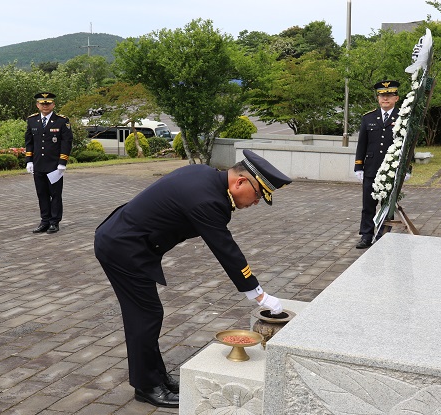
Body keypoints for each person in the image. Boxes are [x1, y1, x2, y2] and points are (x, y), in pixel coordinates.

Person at [94, 149, 292, 408]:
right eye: (257, 195)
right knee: (144, 316)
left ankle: (157, 378)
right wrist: (259, 295)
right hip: (123, 248)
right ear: (240, 182)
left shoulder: (205, 175)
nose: (256, 202)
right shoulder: (208, 200)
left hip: (128, 241)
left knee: (148, 314)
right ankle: (147, 386)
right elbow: (225, 249)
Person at [354, 80, 400, 249]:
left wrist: (407, 168)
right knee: (368, 204)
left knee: (387, 205)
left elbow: (407, 145)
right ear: (378, 98)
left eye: (389, 95)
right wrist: (358, 166)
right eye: (382, 96)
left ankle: (383, 235)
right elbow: (362, 144)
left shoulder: (402, 117)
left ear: (396, 98)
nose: (385, 99)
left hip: (391, 169)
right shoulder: (368, 118)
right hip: (371, 168)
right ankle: (366, 235)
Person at [25, 92, 73, 234]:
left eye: (48, 103)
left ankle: (54, 222)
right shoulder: (32, 120)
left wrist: (62, 162)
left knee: (55, 194)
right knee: (42, 194)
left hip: (54, 165)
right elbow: (29, 142)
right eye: (42, 103)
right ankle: (44, 221)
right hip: (38, 164)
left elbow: (66, 142)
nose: (45, 106)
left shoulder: (62, 121)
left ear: (53, 105)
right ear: (37, 105)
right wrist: (29, 160)